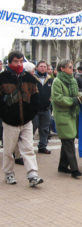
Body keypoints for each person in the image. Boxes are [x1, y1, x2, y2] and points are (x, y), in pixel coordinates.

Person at [0, 51, 44, 186]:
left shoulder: (29, 78)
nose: (19, 64)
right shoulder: (2, 78)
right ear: (10, 62)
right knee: (9, 150)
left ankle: (32, 174)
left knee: (28, 148)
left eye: (20, 61)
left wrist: (32, 112)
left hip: (26, 120)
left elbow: (36, 96)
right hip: (10, 121)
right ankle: (9, 173)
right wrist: (5, 115)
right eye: (15, 61)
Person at [52, 59, 82, 179]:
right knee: (69, 141)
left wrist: (79, 97)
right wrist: (73, 101)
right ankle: (74, 169)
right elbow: (58, 98)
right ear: (62, 69)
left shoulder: (73, 80)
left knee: (67, 140)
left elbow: (77, 93)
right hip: (63, 115)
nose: (72, 69)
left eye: (72, 67)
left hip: (72, 114)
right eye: (69, 67)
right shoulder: (57, 81)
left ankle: (63, 166)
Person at [32, 60, 53, 154]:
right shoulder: (32, 78)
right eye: (41, 66)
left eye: (45, 66)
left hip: (46, 109)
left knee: (44, 129)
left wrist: (51, 99)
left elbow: (52, 91)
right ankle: (27, 148)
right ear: (37, 67)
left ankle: (42, 146)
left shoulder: (50, 79)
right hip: (34, 110)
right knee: (32, 129)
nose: (43, 68)